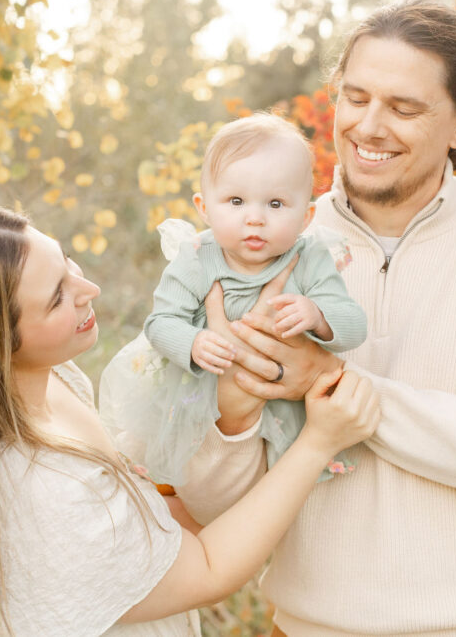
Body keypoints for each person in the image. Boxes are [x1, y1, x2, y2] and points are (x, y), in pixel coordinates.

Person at [174, 0, 456, 635]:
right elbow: (210, 505)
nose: (369, 127)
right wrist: (234, 411)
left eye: (403, 108)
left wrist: (326, 382)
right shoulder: (258, 244)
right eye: (356, 97)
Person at [0, 206, 380, 636]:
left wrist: (230, 405)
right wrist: (316, 443)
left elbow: (158, 522)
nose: (89, 290)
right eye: (57, 297)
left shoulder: (57, 381)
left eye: (68, 267)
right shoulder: (41, 485)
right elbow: (206, 570)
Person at [101, 113, 367, 486]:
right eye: (236, 201)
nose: (255, 218)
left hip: (282, 403)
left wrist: (318, 314)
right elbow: (161, 322)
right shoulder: (196, 256)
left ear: (306, 216)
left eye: (275, 204)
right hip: (199, 399)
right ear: (204, 208)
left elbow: (354, 326)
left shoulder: (309, 258)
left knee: (281, 482)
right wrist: (192, 342)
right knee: (186, 478)